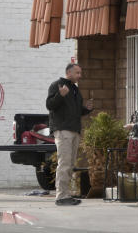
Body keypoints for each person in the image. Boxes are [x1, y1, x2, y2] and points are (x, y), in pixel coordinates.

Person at [46, 62, 93, 206]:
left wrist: (86, 109)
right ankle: (61, 197)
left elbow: (76, 111)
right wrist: (60, 95)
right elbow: (50, 105)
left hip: (74, 130)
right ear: (69, 73)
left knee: (70, 164)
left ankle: (66, 195)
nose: (80, 75)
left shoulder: (74, 89)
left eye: (80, 73)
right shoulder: (57, 85)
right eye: (77, 73)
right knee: (64, 163)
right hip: (63, 129)